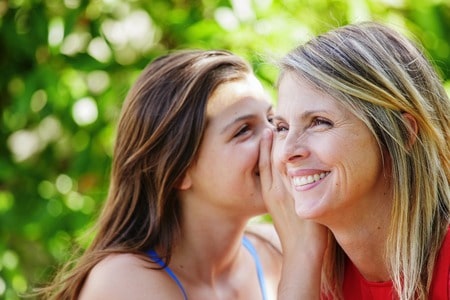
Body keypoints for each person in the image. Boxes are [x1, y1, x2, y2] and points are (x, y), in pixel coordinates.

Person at [37, 49, 324, 300]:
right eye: (244, 130)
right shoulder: (124, 281)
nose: (277, 140)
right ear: (178, 170)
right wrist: (301, 261)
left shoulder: (275, 248)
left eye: (273, 120)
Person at [270, 21, 450, 299]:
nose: (287, 151)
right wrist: (302, 257)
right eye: (282, 128)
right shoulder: (315, 273)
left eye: (320, 122)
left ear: (401, 133)